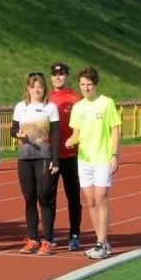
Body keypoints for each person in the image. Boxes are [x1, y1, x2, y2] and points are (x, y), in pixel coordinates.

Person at [65, 65, 121, 259]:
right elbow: (76, 134)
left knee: (101, 198)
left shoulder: (106, 103)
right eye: (82, 84)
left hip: (102, 158)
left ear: (95, 84)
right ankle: (102, 242)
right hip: (84, 160)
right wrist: (71, 140)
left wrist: (114, 154)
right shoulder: (78, 107)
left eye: (89, 84)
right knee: (90, 201)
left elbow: (115, 129)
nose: (85, 88)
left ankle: (101, 243)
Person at [12, 73, 60, 256]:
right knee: (29, 198)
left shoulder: (50, 107)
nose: (36, 89)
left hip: (44, 156)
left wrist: (55, 160)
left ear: (44, 88)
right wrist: (18, 135)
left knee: (44, 197)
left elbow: (55, 134)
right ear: (28, 88)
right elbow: (13, 130)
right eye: (33, 86)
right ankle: (32, 239)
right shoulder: (20, 107)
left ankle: (47, 240)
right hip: (24, 157)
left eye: (39, 86)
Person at [48, 61, 83, 250]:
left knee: (73, 197)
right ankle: (49, 234)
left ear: (67, 76)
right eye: (54, 74)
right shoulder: (46, 98)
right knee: (48, 197)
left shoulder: (76, 99)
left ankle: (74, 235)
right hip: (51, 155)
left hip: (71, 155)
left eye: (61, 74)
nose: (57, 77)